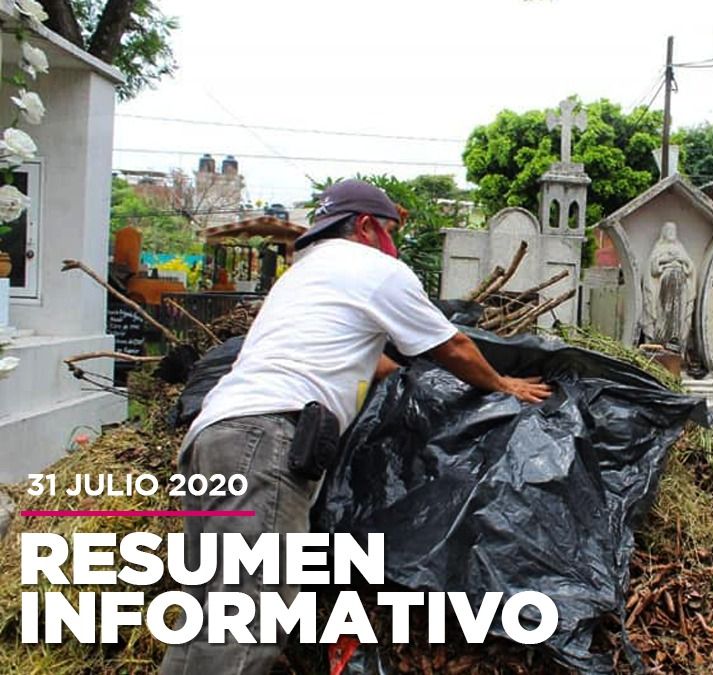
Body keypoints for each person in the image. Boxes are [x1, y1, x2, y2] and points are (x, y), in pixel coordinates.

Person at [160, 179, 551, 674]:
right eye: (389, 230)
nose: (393, 243)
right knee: (249, 620)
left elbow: (368, 363)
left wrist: (413, 380)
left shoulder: (304, 276)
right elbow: (451, 347)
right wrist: (502, 384)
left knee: (209, 614)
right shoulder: (375, 267)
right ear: (366, 226)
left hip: (212, 438)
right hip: (264, 441)